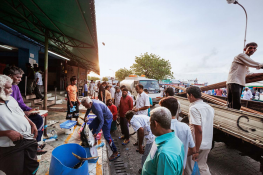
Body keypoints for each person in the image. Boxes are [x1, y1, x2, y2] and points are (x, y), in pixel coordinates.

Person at [0, 75, 39, 175]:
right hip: (11, 146)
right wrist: (7, 133)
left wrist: (32, 123)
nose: (11, 91)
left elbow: (21, 113)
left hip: (27, 140)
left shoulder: (11, 100)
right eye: (8, 88)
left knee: (31, 168)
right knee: (16, 171)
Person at [4, 66, 46, 155]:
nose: (20, 80)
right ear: (9, 76)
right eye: (18, 77)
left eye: (21, 78)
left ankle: (36, 143)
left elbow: (20, 103)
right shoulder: (4, 92)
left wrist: (30, 110)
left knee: (38, 118)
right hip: (11, 117)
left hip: (19, 114)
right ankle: (31, 145)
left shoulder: (15, 88)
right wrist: (23, 113)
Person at [142, 107, 184, 175]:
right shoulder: (176, 140)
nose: (149, 125)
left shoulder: (164, 154)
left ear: (155, 124)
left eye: (150, 123)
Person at [159, 96, 196, 173]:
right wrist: (182, 156)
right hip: (180, 169)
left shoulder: (160, 128)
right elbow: (193, 150)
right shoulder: (185, 127)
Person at [185, 86, 214, 175]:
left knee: (189, 167)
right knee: (202, 166)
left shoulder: (194, 108)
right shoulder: (209, 107)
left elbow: (198, 130)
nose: (187, 97)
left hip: (196, 143)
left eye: (187, 95)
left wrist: (196, 150)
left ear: (191, 95)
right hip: (207, 143)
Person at [81, 97, 120, 161]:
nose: (85, 107)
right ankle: (93, 142)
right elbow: (88, 108)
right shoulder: (90, 102)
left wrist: (96, 132)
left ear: (90, 103)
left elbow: (102, 122)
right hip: (101, 116)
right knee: (90, 127)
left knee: (107, 136)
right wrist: (85, 116)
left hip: (107, 118)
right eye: (84, 106)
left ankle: (115, 152)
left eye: (86, 106)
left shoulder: (96, 108)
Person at [227, 42, 263, 110]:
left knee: (234, 104)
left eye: (254, 48)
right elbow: (255, 64)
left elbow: (248, 73)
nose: (252, 50)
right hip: (234, 81)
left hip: (239, 83)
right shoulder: (241, 56)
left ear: (256, 50)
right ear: (245, 49)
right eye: (250, 48)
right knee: (235, 104)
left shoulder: (246, 62)